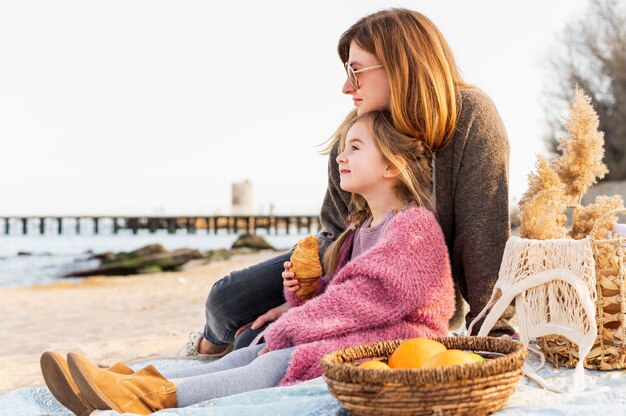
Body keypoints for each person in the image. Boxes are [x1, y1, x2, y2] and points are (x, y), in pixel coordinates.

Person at [40, 110, 455, 414]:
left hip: (399, 342)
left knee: (276, 357)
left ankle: (151, 396)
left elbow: (366, 298)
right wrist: (301, 293)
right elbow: (337, 295)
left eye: (355, 147)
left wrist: (292, 324)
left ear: (392, 165)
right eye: (342, 148)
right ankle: (129, 380)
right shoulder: (359, 230)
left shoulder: (412, 227)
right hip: (366, 333)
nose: (341, 157)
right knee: (243, 354)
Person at [181, 7, 514, 360]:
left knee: (257, 344)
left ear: (400, 67)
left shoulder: (471, 115)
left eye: (356, 72)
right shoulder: (355, 134)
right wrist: (311, 305)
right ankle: (207, 344)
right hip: (343, 276)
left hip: (409, 295)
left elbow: (482, 235)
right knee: (225, 300)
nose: (345, 87)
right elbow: (336, 230)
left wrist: (493, 330)